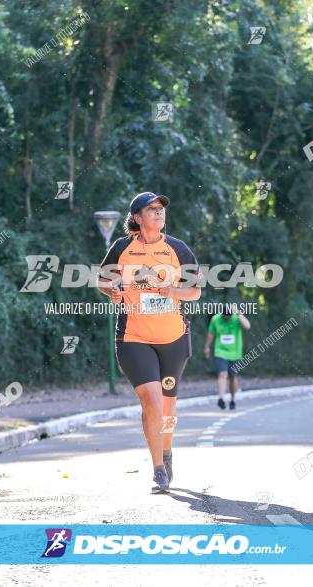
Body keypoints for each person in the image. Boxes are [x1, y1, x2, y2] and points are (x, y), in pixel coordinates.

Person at [96, 192, 201, 493]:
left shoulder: (178, 249)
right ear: (138, 218)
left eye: (161, 209)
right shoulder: (122, 248)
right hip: (134, 337)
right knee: (152, 400)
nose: (158, 213)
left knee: (168, 407)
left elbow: (195, 292)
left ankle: (167, 450)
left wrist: (172, 291)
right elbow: (102, 281)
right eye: (151, 209)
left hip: (173, 339)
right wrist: (112, 292)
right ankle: (158, 468)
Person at [204, 308, 250, 410]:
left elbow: (247, 326)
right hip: (220, 352)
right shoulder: (215, 319)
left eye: (228, 318)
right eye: (224, 317)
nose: (226, 319)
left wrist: (238, 313)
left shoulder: (237, 318)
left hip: (235, 353)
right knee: (222, 374)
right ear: (222, 315)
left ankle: (233, 399)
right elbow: (211, 333)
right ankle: (221, 398)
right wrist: (207, 347)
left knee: (232, 377)